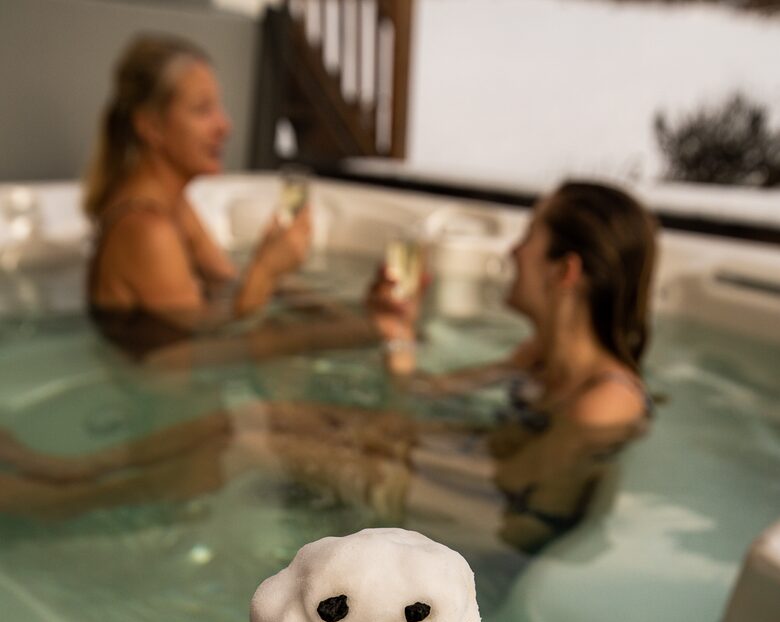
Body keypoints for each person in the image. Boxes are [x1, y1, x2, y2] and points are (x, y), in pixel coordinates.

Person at [3, 181, 657, 554]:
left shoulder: (608, 400)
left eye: (530, 238)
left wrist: (369, 444)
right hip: (460, 473)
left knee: (261, 442)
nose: (510, 252)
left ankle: (60, 505)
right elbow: (423, 393)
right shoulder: (534, 359)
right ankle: (72, 470)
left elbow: (507, 486)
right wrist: (396, 336)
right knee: (263, 414)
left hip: (489, 531)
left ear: (565, 272)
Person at [83, 35, 313, 358]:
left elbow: (227, 285)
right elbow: (205, 359)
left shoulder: (175, 208)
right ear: (151, 126)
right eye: (203, 110)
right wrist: (265, 273)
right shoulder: (147, 231)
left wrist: (279, 267)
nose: (225, 126)